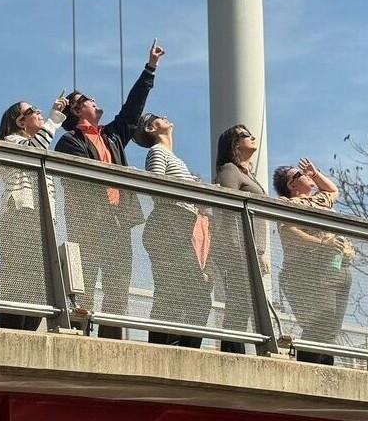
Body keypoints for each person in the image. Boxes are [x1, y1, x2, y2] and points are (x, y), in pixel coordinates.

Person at [54, 40, 165, 339]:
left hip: (118, 221)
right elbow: (81, 179)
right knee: (85, 287)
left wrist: (149, 69)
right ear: (78, 110)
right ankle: (80, 342)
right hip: (89, 224)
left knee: (118, 289)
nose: (95, 100)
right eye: (88, 99)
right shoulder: (70, 142)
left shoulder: (111, 137)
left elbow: (132, 110)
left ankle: (110, 344)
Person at [134, 113, 213, 348]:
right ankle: (171, 348)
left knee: (181, 294)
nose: (166, 117)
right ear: (150, 128)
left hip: (177, 225)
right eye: (158, 117)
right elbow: (157, 186)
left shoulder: (173, 157)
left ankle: (174, 347)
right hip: (168, 224)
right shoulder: (157, 152)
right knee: (186, 294)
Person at [0, 96, 67, 331]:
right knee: (17, 281)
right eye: (33, 110)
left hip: (41, 221)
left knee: (40, 284)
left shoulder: (37, 145)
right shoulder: (12, 140)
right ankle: (10, 337)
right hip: (19, 216)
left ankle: (27, 334)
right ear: (20, 121)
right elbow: (34, 149)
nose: (39, 113)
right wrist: (55, 118)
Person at [272, 158, 353, 365]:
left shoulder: (319, 200)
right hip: (310, 267)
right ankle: (308, 370)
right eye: (300, 174)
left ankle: (325, 371)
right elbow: (289, 233)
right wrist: (321, 244)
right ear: (291, 185)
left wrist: (315, 174)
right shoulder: (288, 203)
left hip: (339, 265)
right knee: (321, 321)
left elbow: (334, 190)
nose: (306, 176)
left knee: (331, 327)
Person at [213, 124, 268, 354]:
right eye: (246, 135)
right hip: (238, 248)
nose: (253, 137)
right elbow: (227, 211)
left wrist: (260, 252)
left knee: (247, 304)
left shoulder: (248, 175)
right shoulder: (229, 170)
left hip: (252, 249)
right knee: (240, 303)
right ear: (234, 144)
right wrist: (238, 248)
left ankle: (240, 350)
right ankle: (233, 353)